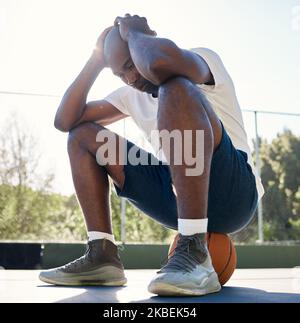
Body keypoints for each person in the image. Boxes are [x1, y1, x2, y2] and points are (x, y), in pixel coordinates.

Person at [39, 14, 264, 296]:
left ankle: (194, 249)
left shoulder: (202, 60)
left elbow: (159, 64)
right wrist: (97, 60)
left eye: (131, 65)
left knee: (175, 85)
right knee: (82, 136)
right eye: (120, 73)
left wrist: (134, 33)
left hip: (234, 194)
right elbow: (65, 120)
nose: (130, 78)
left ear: (146, 40)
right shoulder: (130, 95)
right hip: (177, 196)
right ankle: (102, 254)